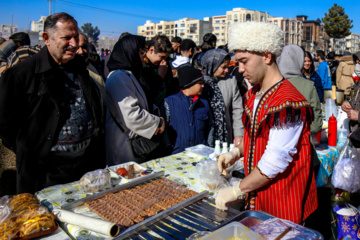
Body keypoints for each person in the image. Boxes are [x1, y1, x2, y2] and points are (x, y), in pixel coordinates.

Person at [215, 21, 318, 224]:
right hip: (258, 194)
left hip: (282, 199)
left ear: (267, 56)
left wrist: (236, 190)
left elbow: (275, 161)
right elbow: (254, 136)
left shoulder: (288, 102)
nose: (240, 69)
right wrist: (236, 153)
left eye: (244, 61)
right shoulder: (254, 93)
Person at [0, 12, 105, 194]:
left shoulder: (80, 67)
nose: (74, 43)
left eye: (75, 37)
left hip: (84, 167)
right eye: (67, 38)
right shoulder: (21, 75)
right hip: (45, 172)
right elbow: (5, 125)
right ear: (46, 38)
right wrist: (34, 146)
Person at [105, 34, 165, 166]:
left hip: (132, 141)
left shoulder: (128, 74)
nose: (144, 55)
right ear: (129, 52)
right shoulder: (118, 77)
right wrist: (157, 123)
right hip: (123, 145)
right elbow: (132, 115)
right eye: (141, 51)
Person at [161, 65, 212, 154]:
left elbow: (210, 127)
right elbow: (163, 129)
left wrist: (208, 146)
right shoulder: (169, 102)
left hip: (200, 153)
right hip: (177, 154)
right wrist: (168, 147)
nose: (203, 86)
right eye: (200, 83)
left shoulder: (204, 103)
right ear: (189, 84)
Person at [201, 48, 244, 147]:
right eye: (223, 67)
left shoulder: (230, 81)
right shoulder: (200, 83)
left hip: (224, 136)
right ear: (212, 65)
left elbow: (237, 109)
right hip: (203, 134)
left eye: (227, 66)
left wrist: (238, 134)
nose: (227, 70)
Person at [140, 34, 176, 107]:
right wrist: (160, 76)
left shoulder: (164, 64)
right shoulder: (142, 66)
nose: (164, 61)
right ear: (152, 50)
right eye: (161, 57)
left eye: (166, 58)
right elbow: (147, 92)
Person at [341, 52, 360, 132]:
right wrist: (346, 104)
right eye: (356, 63)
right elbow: (356, 103)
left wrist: (359, 116)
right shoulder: (359, 83)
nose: (357, 66)